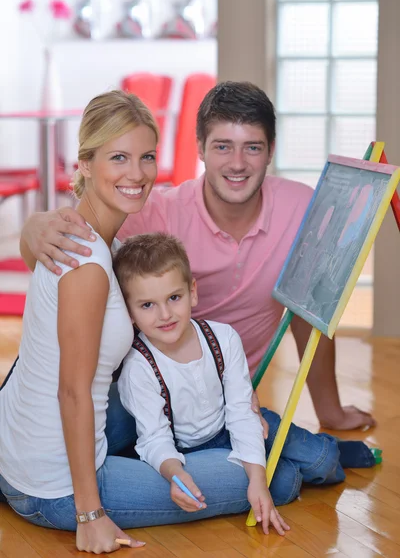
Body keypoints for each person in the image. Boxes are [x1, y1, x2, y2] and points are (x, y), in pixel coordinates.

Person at [20, 81, 376, 431]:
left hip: (225, 402)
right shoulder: (155, 211)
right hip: (145, 396)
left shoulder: (301, 209)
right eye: (222, 147)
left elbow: (309, 313)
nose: (237, 163)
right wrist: (31, 230)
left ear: (271, 150)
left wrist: (330, 412)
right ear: (201, 149)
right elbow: (71, 249)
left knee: (290, 470)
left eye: (252, 148)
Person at [0, 90, 258, 555]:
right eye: (118, 157)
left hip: (19, 447)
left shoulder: (78, 235)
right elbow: (73, 392)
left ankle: (243, 423)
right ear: (84, 163)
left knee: (215, 418)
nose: (137, 174)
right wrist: (90, 515)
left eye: (146, 157)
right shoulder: (89, 265)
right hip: (52, 485)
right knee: (268, 477)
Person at [112, 232, 377, 535]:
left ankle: (335, 449)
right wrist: (174, 474)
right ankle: (289, 464)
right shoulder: (137, 367)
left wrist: (256, 477)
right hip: (195, 453)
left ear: (192, 292)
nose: (165, 314)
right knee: (283, 481)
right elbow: (153, 438)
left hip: (240, 425)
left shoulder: (222, 338)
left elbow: (240, 411)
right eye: (147, 305)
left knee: (323, 461)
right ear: (129, 312)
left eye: (174, 297)